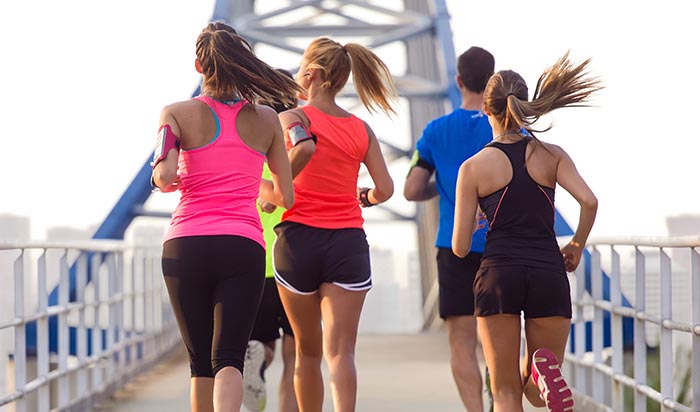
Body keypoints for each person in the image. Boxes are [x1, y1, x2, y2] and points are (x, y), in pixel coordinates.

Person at [152, 22, 298, 412]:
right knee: (229, 359)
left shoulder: (175, 113)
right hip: (242, 246)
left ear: (198, 66)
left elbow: (165, 175)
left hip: (185, 246)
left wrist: (166, 179)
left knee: (199, 364)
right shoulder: (267, 118)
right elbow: (286, 195)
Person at [452, 52, 601, 412]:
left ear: (486, 111)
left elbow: (459, 248)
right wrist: (577, 244)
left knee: (503, 390)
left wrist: (475, 221)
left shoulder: (473, 167)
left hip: (499, 275)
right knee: (535, 392)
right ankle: (539, 377)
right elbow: (590, 201)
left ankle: (536, 377)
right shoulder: (552, 155)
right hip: (548, 273)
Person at [273, 37, 396, 412]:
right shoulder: (361, 129)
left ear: (311, 74)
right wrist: (363, 198)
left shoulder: (293, 118)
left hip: (298, 242)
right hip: (347, 243)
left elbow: (291, 166)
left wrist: (271, 192)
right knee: (342, 353)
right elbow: (386, 189)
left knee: (306, 354)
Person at [403, 46, 494, 412]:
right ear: (493, 82)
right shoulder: (505, 126)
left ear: (458, 81)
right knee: (499, 338)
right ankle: (502, 398)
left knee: (461, 340)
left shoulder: (435, 130)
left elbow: (411, 189)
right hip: (501, 246)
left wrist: (442, 188)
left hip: (453, 246)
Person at [243, 68, 299, 412]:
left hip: (255, 260)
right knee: (296, 357)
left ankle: (257, 360)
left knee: (264, 342)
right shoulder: (299, 145)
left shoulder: (250, 145)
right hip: (294, 259)